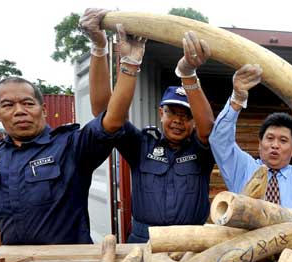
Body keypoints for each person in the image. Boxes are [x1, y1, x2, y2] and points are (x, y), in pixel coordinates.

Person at [0, 24, 145, 245]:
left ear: (43, 109)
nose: (19, 110)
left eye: (28, 103)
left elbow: (112, 119)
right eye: (8, 105)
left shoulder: (71, 145)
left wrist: (125, 60)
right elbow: (3, 220)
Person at [80, 8, 215, 242]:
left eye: (186, 115)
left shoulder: (201, 150)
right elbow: (105, 114)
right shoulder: (142, 144)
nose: (178, 121)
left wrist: (189, 75)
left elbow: (208, 129)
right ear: (161, 112)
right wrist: (121, 59)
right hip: (143, 242)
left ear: (194, 120)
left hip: (191, 243)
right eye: (172, 112)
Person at [209, 64, 292, 211]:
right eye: (269, 138)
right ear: (259, 144)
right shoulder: (243, 167)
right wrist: (236, 100)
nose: (275, 145)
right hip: (246, 234)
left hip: (289, 234)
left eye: (283, 141)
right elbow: (219, 141)